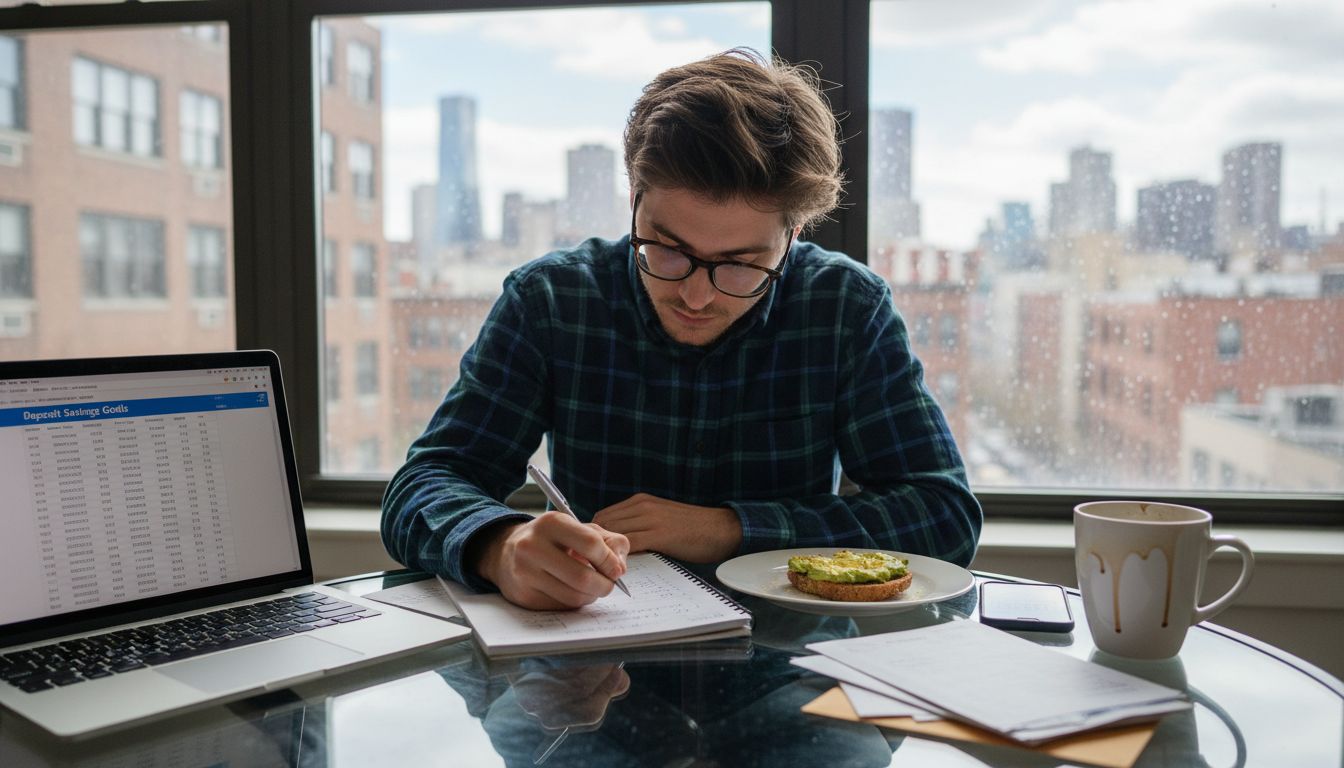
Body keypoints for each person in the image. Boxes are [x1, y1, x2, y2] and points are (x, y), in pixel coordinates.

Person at [382, 48, 981, 610]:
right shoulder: (553, 299)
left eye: (743, 265)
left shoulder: (845, 307)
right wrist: (500, 546)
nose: (696, 295)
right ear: (635, 201)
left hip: (791, 669)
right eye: (667, 249)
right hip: (587, 657)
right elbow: (426, 482)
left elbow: (943, 516)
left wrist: (727, 528)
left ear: (792, 239)